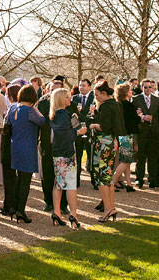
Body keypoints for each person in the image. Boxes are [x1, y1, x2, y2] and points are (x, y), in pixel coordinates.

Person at [7, 84, 46, 223]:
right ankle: (20, 210)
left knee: (19, 179)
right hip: (28, 147)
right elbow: (42, 121)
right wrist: (37, 109)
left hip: (15, 145)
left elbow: (8, 124)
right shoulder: (30, 111)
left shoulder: (12, 108)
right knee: (25, 181)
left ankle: (14, 206)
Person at [49, 87, 87, 228]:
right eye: (66, 97)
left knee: (58, 183)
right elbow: (65, 135)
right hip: (66, 153)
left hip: (58, 153)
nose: (69, 99)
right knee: (70, 185)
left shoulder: (55, 115)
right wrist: (79, 132)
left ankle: (57, 212)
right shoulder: (63, 115)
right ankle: (73, 214)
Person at [89, 80, 123, 221]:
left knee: (102, 178)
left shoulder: (106, 107)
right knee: (108, 176)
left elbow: (103, 126)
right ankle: (111, 207)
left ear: (104, 93)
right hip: (113, 142)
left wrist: (93, 125)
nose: (96, 98)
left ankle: (108, 209)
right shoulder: (116, 104)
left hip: (104, 143)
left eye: (97, 95)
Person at [38, 76, 73, 213]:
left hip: (63, 145)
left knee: (63, 175)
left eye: (58, 91)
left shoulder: (70, 104)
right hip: (47, 142)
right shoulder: (42, 103)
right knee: (47, 175)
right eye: (52, 90)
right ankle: (48, 202)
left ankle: (63, 204)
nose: (54, 93)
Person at [132, 79, 159, 189]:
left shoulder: (157, 100)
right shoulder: (136, 99)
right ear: (141, 87)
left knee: (153, 157)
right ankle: (139, 179)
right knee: (140, 157)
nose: (148, 89)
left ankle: (152, 179)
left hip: (154, 132)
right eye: (145, 87)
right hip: (141, 132)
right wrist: (142, 117)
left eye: (150, 87)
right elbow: (132, 116)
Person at [0, 84, 21, 217]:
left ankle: (9, 205)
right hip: (17, 147)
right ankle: (13, 204)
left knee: (9, 178)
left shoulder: (13, 109)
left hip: (9, 147)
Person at [112, 83, 138, 192]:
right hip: (128, 135)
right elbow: (133, 121)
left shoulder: (118, 104)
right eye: (130, 90)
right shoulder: (128, 105)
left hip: (121, 135)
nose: (132, 92)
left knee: (125, 160)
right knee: (126, 161)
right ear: (126, 92)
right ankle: (112, 182)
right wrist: (139, 117)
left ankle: (129, 184)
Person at [72, 78, 97, 190]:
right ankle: (76, 180)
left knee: (91, 156)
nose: (81, 87)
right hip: (78, 131)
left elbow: (95, 114)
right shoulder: (75, 98)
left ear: (89, 87)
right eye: (80, 85)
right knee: (77, 156)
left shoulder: (94, 98)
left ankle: (94, 180)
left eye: (84, 85)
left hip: (89, 131)